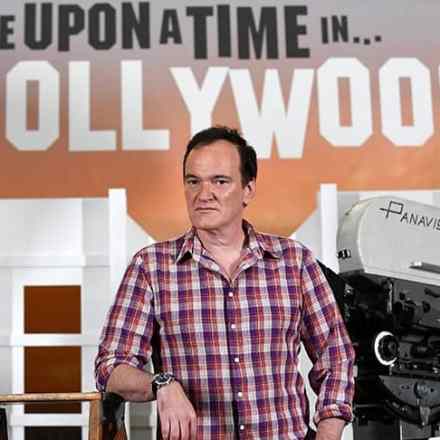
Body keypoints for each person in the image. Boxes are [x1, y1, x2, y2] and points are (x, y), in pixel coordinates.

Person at [95, 126, 355, 440]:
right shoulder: (151, 267)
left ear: (248, 189)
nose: (203, 194)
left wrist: (328, 433)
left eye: (220, 181)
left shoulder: (295, 262)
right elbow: (111, 367)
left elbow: (336, 357)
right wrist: (161, 383)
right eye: (193, 181)